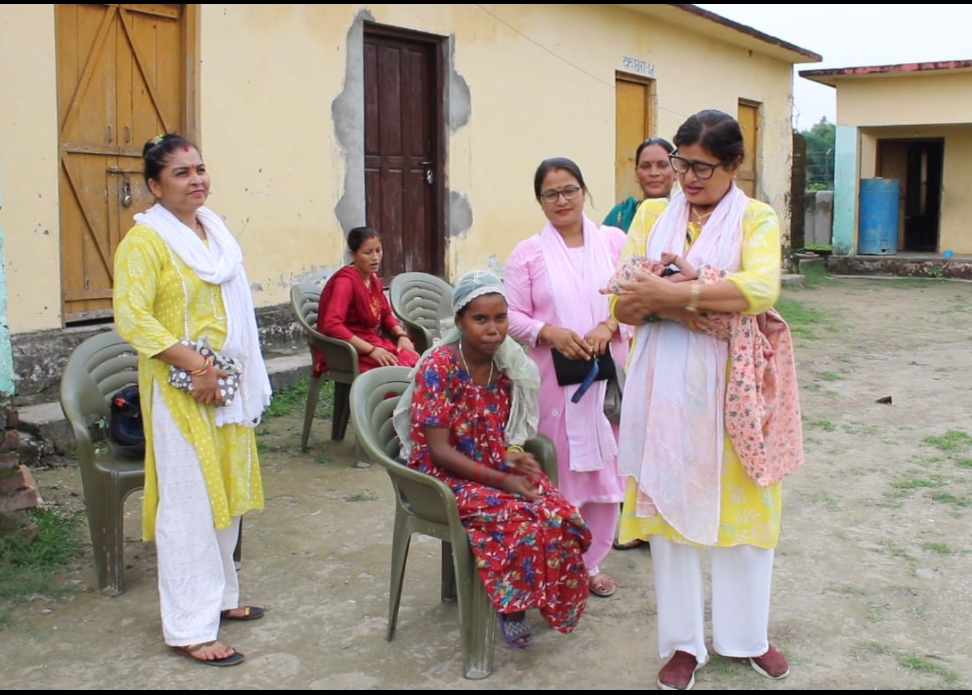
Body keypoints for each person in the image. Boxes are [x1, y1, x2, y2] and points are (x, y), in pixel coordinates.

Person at [606, 109, 804, 690]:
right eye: (680, 164)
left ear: (735, 166)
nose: (688, 178)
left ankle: (747, 637)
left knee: (745, 517)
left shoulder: (757, 219)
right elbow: (621, 304)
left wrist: (668, 294)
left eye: (701, 167)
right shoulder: (650, 215)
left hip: (732, 392)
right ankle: (683, 645)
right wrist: (689, 299)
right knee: (670, 518)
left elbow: (759, 288)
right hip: (663, 390)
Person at [113, 133, 274, 667]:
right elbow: (135, 318)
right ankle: (188, 625)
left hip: (226, 385)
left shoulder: (216, 232)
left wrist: (218, 371)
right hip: (180, 388)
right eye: (181, 173)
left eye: (200, 168)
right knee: (188, 503)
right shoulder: (146, 242)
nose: (197, 179)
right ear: (155, 187)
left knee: (224, 494)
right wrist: (197, 366)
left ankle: (221, 599)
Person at [392, 270, 592, 648]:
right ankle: (511, 606)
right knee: (521, 519)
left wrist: (512, 457)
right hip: (440, 478)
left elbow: (492, 432)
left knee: (559, 512)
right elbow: (440, 450)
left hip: (485, 465)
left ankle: (542, 595)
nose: (493, 329)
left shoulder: (505, 364)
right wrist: (501, 480)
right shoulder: (440, 367)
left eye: (500, 318)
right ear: (460, 322)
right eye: (480, 319)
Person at [505, 157, 632, 599]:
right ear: (539, 201)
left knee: (605, 471)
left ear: (584, 191)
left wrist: (609, 326)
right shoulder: (528, 254)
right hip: (554, 381)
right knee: (560, 471)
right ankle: (558, 559)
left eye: (569, 190)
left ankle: (591, 562)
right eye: (551, 194)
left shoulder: (614, 242)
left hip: (606, 375)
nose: (562, 200)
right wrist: (549, 332)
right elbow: (510, 315)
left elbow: (634, 297)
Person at [313, 226, 420, 377]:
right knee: (399, 373)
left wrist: (402, 336)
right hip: (349, 350)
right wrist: (371, 350)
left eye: (378, 250)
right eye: (367, 252)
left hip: (372, 342)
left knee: (417, 363)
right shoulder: (345, 282)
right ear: (353, 255)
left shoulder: (372, 279)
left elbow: (385, 314)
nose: (375, 257)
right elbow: (332, 324)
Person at [602, 137, 676, 233]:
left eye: (662, 165)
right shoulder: (621, 215)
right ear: (636, 174)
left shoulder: (688, 216)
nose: (653, 173)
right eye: (645, 166)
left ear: (676, 172)